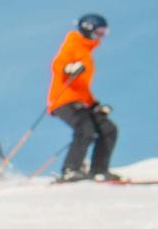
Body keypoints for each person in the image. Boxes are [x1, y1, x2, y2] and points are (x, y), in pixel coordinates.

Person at [49, 14, 118, 182]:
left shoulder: (86, 52)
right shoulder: (73, 43)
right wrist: (69, 68)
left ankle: (99, 170)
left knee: (108, 129)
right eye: (99, 32)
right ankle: (70, 170)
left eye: (104, 32)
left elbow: (82, 87)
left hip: (81, 102)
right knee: (85, 129)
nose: (101, 36)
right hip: (63, 100)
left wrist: (94, 105)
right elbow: (58, 64)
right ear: (88, 28)